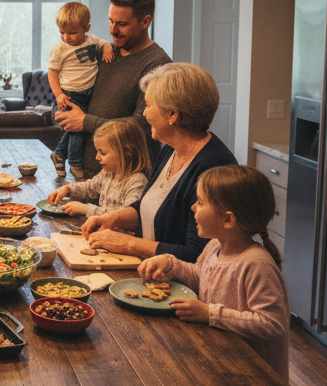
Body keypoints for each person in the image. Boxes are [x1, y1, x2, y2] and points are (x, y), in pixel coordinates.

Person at [137, 165, 291, 379]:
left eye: (200, 202)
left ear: (228, 220)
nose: (192, 208)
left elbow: (272, 324)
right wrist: (172, 265)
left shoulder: (256, 264)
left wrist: (210, 313)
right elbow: (201, 277)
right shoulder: (213, 247)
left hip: (254, 376)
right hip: (221, 363)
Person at [79, 62, 238, 262]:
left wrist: (128, 244)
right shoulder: (170, 149)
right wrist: (113, 218)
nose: (144, 114)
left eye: (148, 105)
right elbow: (151, 207)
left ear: (172, 115)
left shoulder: (214, 167)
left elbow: (198, 255)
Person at [54, 0, 171, 179]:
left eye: (122, 24)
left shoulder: (158, 65)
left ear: (145, 21)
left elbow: (144, 126)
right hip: (86, 173)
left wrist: (85, 121)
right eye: (110, 21)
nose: (113, 31)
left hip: (127, 178)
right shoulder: (104, 52)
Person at [48, 0, 115, 178]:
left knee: (77, 127)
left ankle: (59, 154)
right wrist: (58, 94)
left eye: (72, 33)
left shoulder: (92, 40)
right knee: (77, 130)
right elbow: (52, 73)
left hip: (89, 95)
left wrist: (107, 47)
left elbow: (104, 43)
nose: (66, 37)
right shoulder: (60, 49)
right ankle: (75, 164)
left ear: (87, 28)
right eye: (62, 32)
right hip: (69, 95)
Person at [47, 117, 150, 217]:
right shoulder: (107, 173)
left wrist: (86, 209)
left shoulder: (137, 182)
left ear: (126, 152)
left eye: (103, 153)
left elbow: (125, 216)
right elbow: (88, 188)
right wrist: (67, 189)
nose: (97, 157)